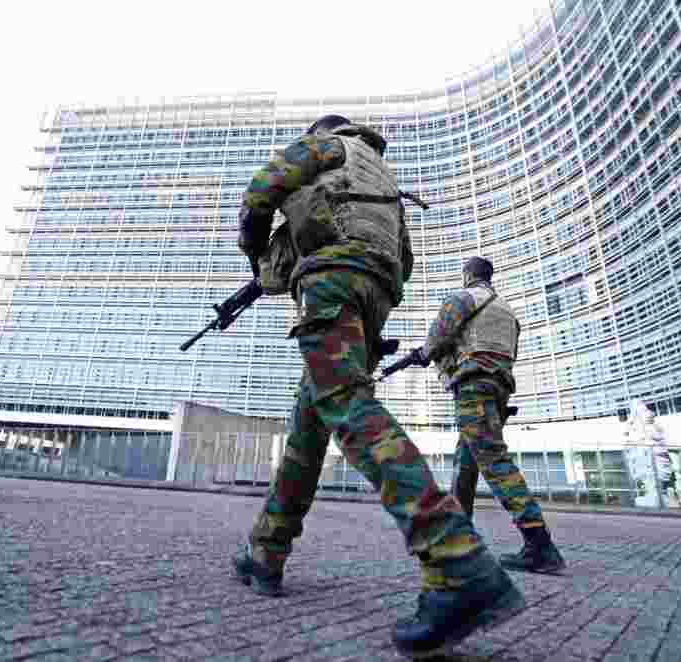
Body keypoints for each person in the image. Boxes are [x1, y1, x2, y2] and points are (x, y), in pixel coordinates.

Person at [232, 115, 525, 658]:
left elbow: (260, 190)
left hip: (333, 282)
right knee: (310, 421)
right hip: (375, 294)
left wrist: (256, 251)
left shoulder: (324, 148)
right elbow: (405, 261)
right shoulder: (386, 179)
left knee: (344, 403)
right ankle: (266, 550)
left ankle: (455, 559)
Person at [413, 256, 565, 574]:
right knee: (466, 465)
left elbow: (438, 336)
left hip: (474, 387)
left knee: (493, 462)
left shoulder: (462, 299)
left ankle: (541, 546)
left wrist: (424, 355)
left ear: (467, 275)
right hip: (498, 389)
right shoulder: (509, 313)